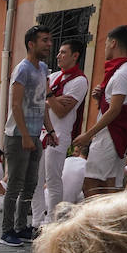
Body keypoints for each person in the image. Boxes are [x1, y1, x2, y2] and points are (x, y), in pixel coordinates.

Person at [73, 26, 127, 198]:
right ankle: (109, 222)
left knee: (92, 183)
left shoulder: (123, 73)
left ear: (113, 43)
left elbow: (115, 109)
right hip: (111, 134)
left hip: (109, 134)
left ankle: (97, 221)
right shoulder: (124, 70)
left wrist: (88, 134)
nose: (105, 48)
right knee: (110, 182)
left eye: (106, 43)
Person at [0, 25, 51, 247]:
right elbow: (15, 104)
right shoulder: (22, 69)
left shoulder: (43, 69)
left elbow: (42, 103)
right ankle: (7, 231)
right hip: (18, 136)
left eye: (50, 40)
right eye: (44, 40)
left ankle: (22, 227)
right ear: (31, 44)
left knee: (30, 184)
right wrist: (25, 136)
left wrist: (50, 130)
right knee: (15, 184)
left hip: (34, 135)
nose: (49, 44)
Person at [38, 38, 87, 225]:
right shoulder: (56, 76)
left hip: (59, 134)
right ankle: (37, 219)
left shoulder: (79, 81)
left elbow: (60, 110)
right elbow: (38, 103)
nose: (58, 56)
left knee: (53, 180)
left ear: (75, 56)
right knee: (37, 179)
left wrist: (49, 94)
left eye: (63, 52)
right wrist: (54, 99)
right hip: (42, 132)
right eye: (58, 52)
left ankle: (52, 221)